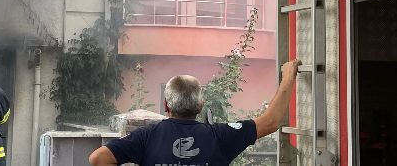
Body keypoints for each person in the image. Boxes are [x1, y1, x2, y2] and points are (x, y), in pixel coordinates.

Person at [89, 59, 301, 166]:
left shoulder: (146, 137)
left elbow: (98, 158)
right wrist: (289, 76)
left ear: (166, 105)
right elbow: (271, 121)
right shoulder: (220, 136)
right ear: (200, 105)